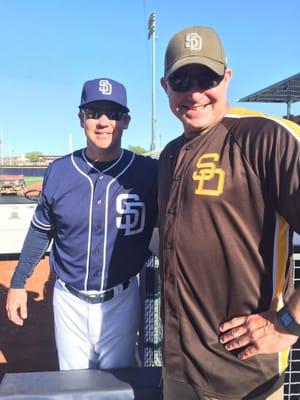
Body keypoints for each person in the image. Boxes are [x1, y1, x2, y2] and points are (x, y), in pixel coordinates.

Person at [158, 26, 300, 399]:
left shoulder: (266, 138)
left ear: (228, 78)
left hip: (245, 376)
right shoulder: (168, 156)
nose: (194, 92)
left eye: (207, 77)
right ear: (165, 87)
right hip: (177, 372)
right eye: (181, 80)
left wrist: (287, 323)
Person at [6, 77, 157, 370]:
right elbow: (40, 230)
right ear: (80, 119)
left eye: (112, 113)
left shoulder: (148, 172)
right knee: (74, 386)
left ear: (125, 121)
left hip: (122, 299)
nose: (103, 121)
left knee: (117, 384)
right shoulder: (59, 171)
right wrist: (18, 282)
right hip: (68, 301)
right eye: (93, 112)